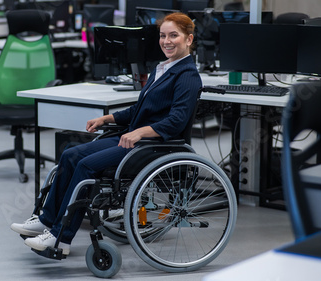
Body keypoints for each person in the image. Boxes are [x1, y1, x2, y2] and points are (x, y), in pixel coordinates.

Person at [11, 12, 202, 255]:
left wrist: (139, 132)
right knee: (70, 154)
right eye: (163, 36)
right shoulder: (161, 68)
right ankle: (46, 219)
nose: (166, 41)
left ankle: (61, 237)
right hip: (134, 137)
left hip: (153, 145)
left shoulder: (187, 76)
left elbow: (176, 122)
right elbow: (140, 108)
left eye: (173, 35)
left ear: (188, 39)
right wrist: (108, 118)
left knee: (86, 165)